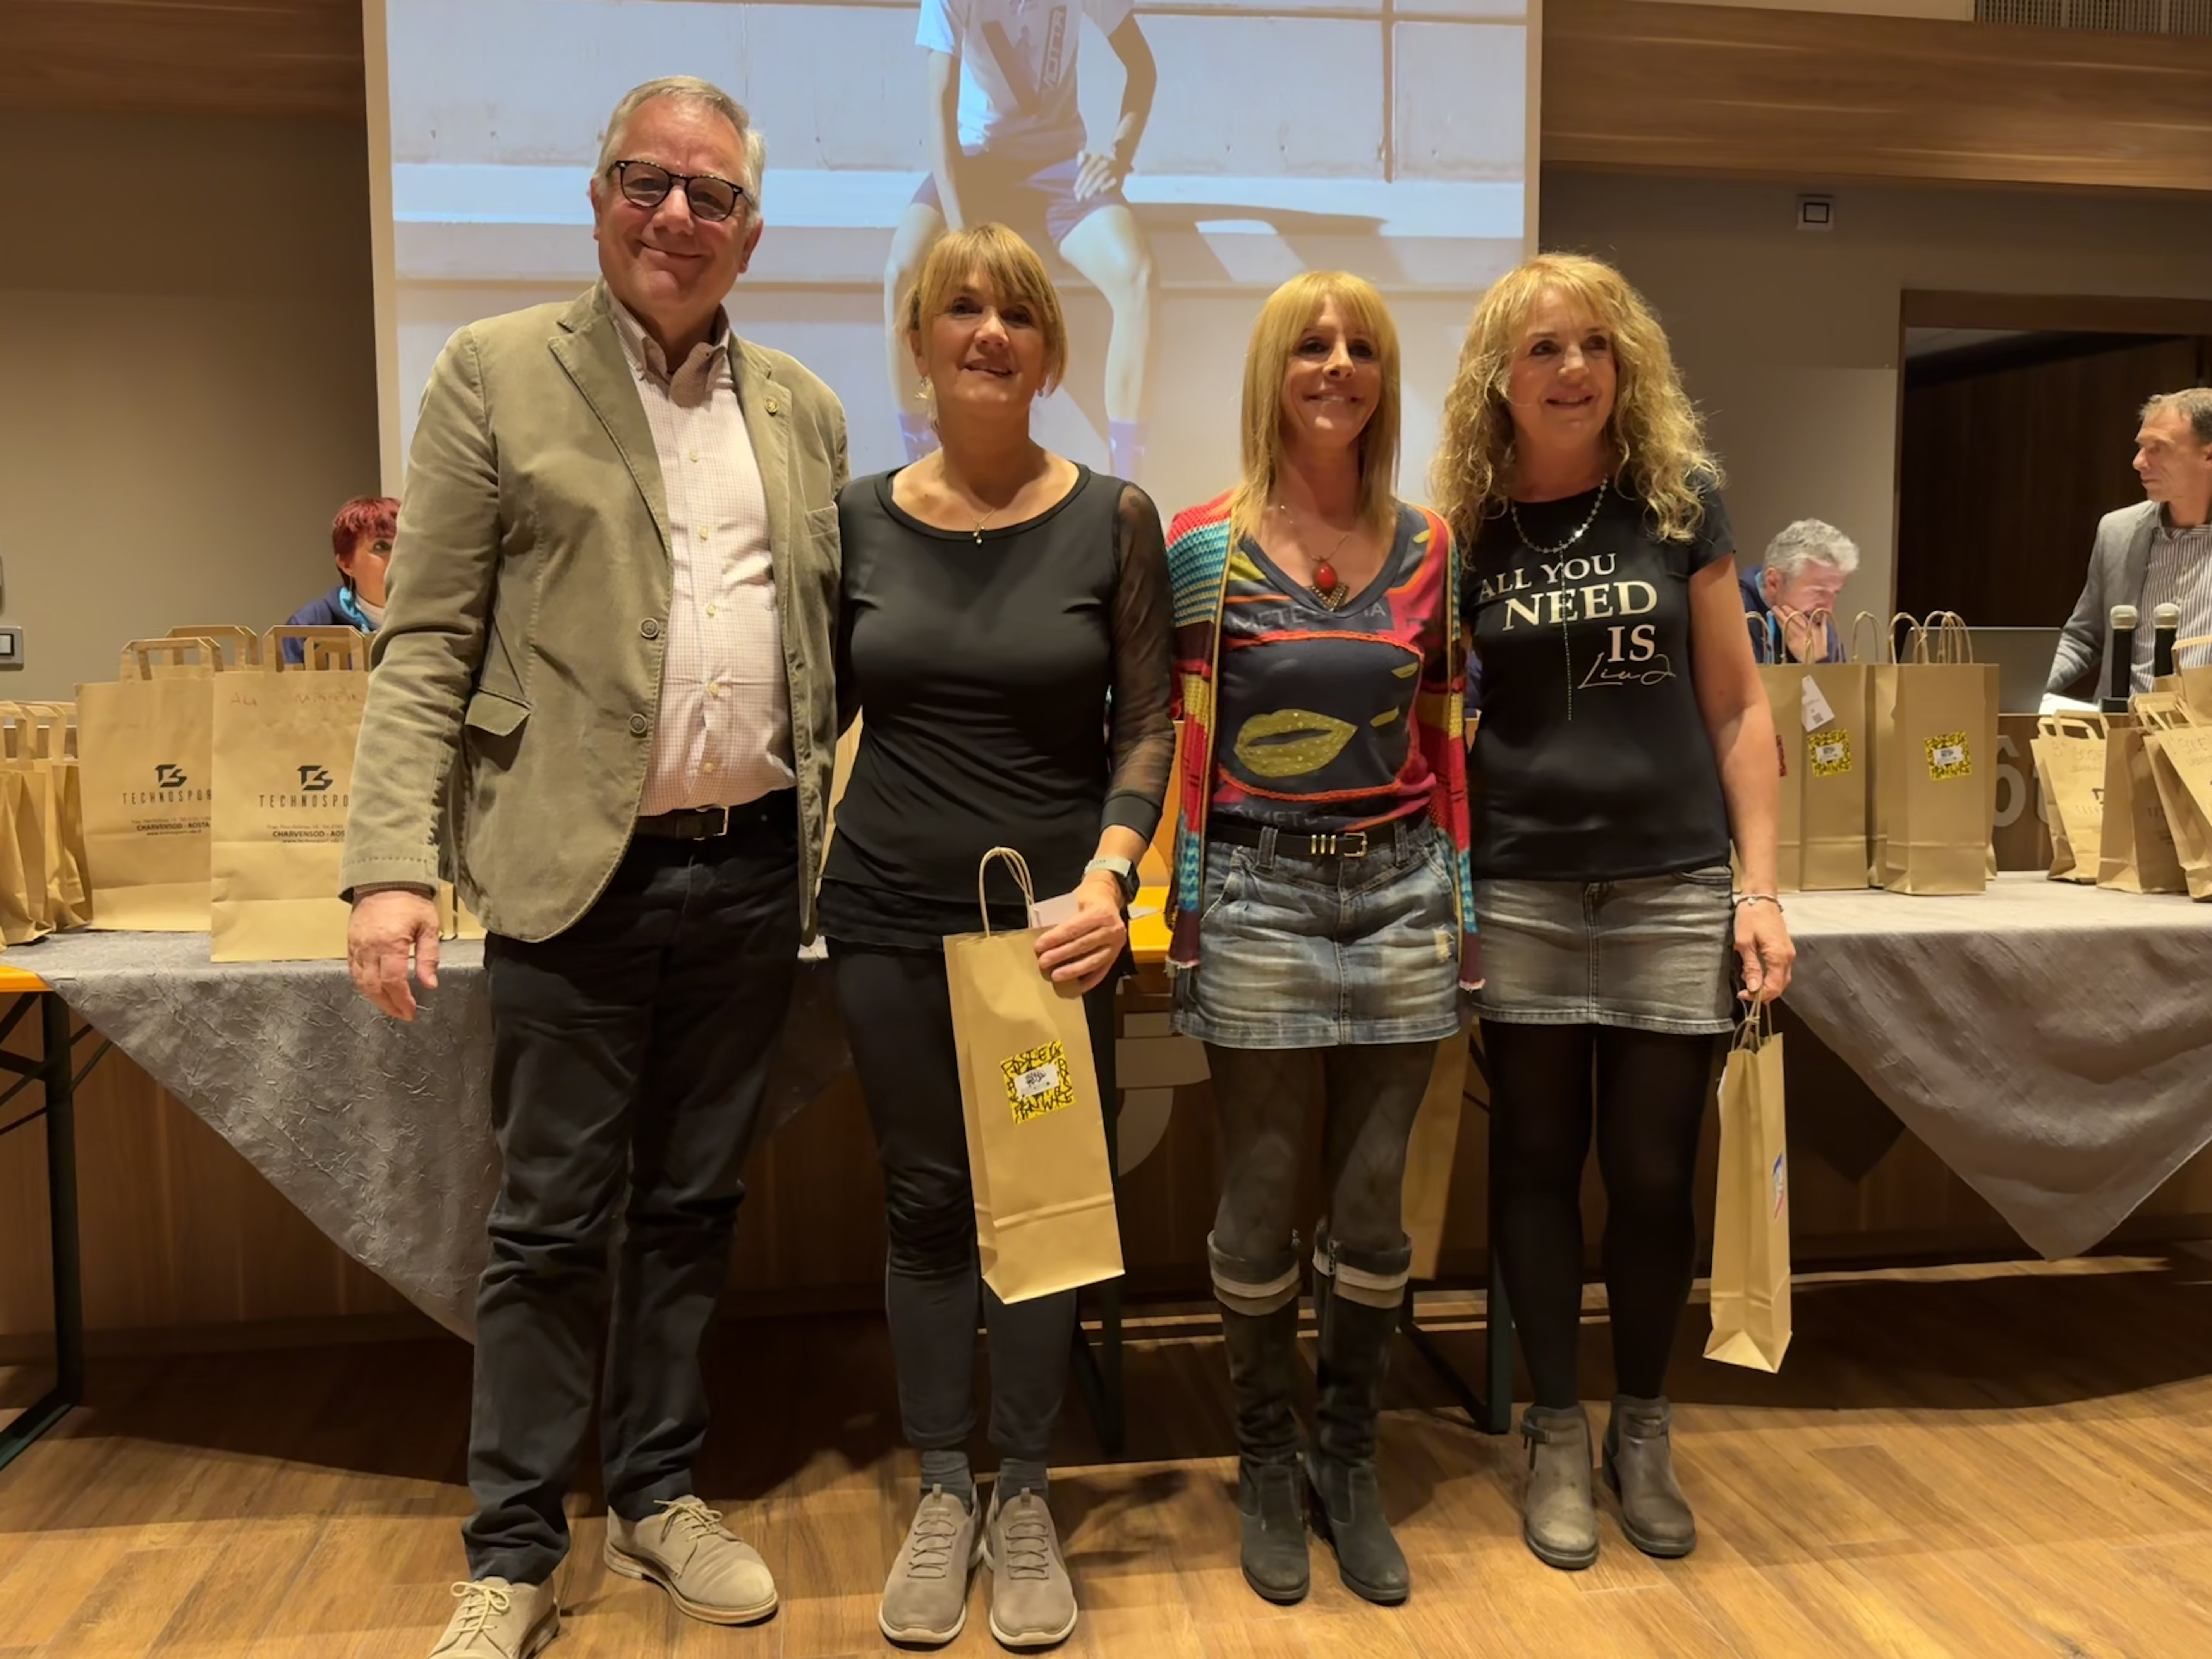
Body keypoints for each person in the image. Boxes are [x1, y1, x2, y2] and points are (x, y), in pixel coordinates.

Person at [339, 77, 848, 1659]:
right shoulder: (495, 372)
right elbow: (428, 638)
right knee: (550, 1223)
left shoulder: (806, 411)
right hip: (577, 875)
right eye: (649, 181)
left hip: (751, 872)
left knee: (692, 1208)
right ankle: (511, 1548)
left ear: (752, 232)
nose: (677, 216)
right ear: (598, 196)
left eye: (712, 195)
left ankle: (656, 1493)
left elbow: (829, 649)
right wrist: (391, 865)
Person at [826, 223, 1171, 1651]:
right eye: (959, 309)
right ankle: (942, 1486)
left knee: (1041, 1205)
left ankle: (1023, 1490)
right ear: (919, 343)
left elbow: (1147, 721)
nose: (988, 332)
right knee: (923, 1205)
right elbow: (807, 713)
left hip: (1050, 932)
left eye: (1016, 313)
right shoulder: (852, 520)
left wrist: (1108, 880)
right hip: (885, 918)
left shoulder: (1113, 517)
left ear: (1048, 349)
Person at [1432, 252, 1794, 1573]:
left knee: (1650, 1173)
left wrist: (1759, 886)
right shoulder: (1465, 529)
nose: (1573, 367)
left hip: (1670, 885)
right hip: (1521, 887)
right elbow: (1436, 724)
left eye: (1594, 343)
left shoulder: (1678, 501)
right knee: (1534, 1164)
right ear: (1500, 378)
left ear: (1625, 361)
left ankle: (1642, 1424)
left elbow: (1738, 707)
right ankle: (1551, 1431)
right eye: (1543, 348)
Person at [1164, 272, 1478, 1609]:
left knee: (1371, 1210)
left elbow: (1446, 740)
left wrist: (1462, 908)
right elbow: (1178, 739)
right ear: (1272, 373)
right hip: (1257, 895)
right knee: (1256, 1203)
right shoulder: (1200, 546)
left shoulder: (1432, 547)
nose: (1336, 364)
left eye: (1360, 347)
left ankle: (1347, 1462)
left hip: (1401, 895)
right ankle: (1264, 1457)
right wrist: (1171, 905)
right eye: (1310, 344)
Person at [884, 0, 1159, 482]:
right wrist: (964, 239)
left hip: (1058, 165)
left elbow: (1142, 67)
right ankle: (919, 471)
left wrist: (1119, 156)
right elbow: (940, 112)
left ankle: (1129, 482)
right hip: (977, 162)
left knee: (1137, 279)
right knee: (902, 273)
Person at [2048, 387, 2212, 698]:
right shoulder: (2117, 531)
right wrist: (2018, 689)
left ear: (2208, 455)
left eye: (2157, 449)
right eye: (2141, 447)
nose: (2138, 462)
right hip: (2122, 724)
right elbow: (2084, 638)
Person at [283, 494, 397, 661]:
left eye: (403, 546)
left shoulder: (435, 617)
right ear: (347, 564)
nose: (398, 557)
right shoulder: (308, 627)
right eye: (382, 547)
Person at [1740, 517, 1853, 663]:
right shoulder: (1733, 615)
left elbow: (1838, 679)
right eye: (1819, 593)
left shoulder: (1817, 624)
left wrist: (1817, 663)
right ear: (1773, 583)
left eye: (1836, 593)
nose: (1828, 610)